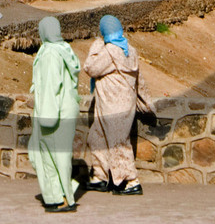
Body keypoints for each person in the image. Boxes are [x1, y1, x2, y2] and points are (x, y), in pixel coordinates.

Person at [83, 14, 155, 196]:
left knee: (118, 143)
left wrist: (96, 47)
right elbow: (139, 79)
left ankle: (131, 181)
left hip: (113, 105)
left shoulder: (110, 51)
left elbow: (91, 68)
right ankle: (100, 177)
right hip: (118, 104)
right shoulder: (129, 49)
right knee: (96, 137)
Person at [28, 16, 81, 213]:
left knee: (48, 155)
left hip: (54, 110)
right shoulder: (63, 49)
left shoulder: (50, 53)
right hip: (66, 107)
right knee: (57, 155)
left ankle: (60, 198)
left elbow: (51, 86)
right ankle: (63, 194)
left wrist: (47, 117)